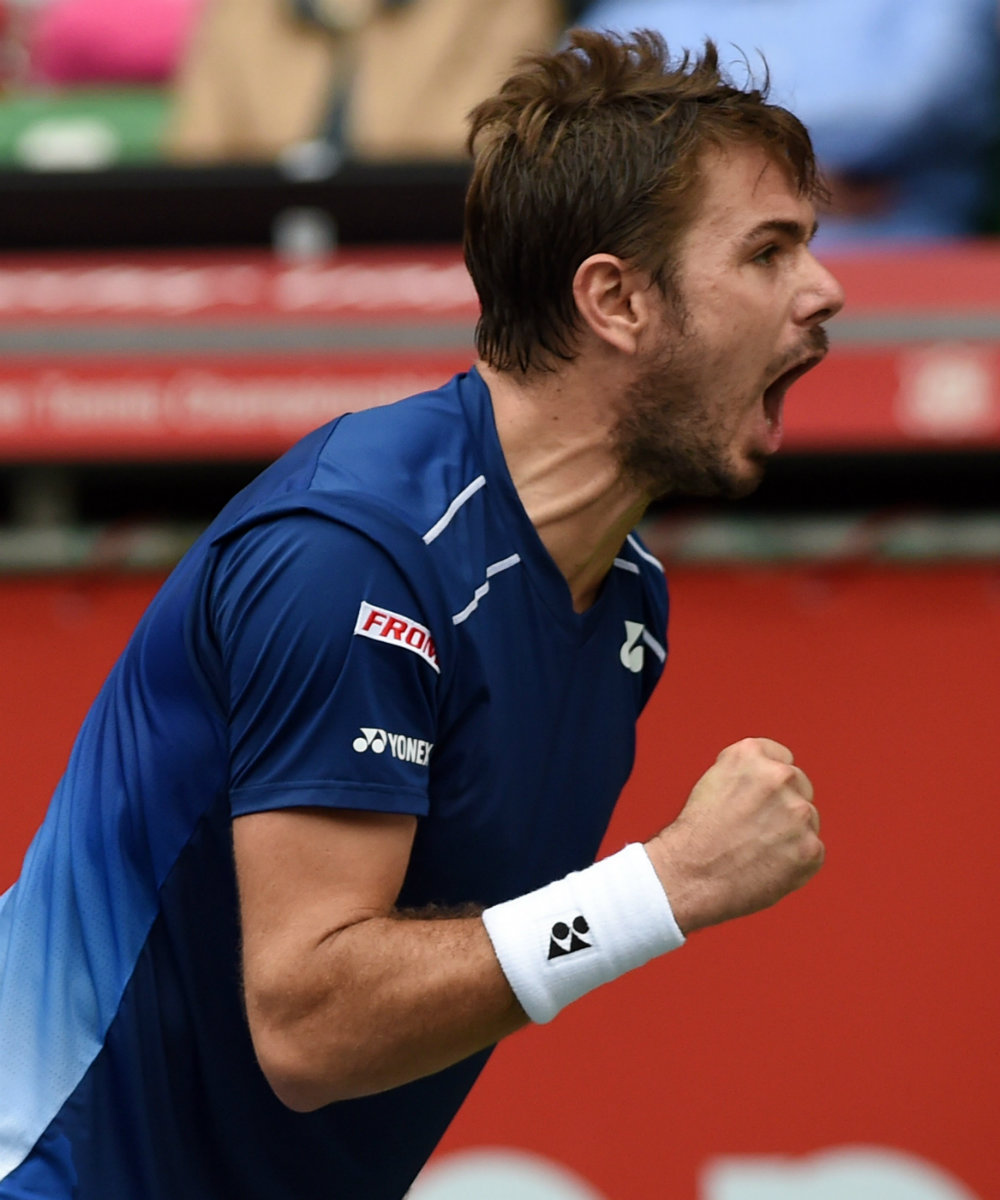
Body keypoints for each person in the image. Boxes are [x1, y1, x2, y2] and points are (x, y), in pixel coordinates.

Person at [0, 28, 843, 1200]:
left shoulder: (625, 599)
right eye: (767, 251)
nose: (823, 289)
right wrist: (666, 885)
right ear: (615, 299)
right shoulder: (355, 558)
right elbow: (311, 1026)